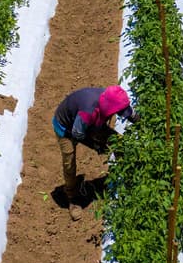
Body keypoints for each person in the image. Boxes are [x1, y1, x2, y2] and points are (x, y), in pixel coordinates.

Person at [53, 85, 134, 219]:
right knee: (69, 162)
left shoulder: (110, 98)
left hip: (87, 122)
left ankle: (126, 175)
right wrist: (96, 145)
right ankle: (72, 198)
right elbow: (77, 133)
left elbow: (126, 111)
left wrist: (139, 121)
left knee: (119, 143)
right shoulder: (89, 110)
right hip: (66, 128)